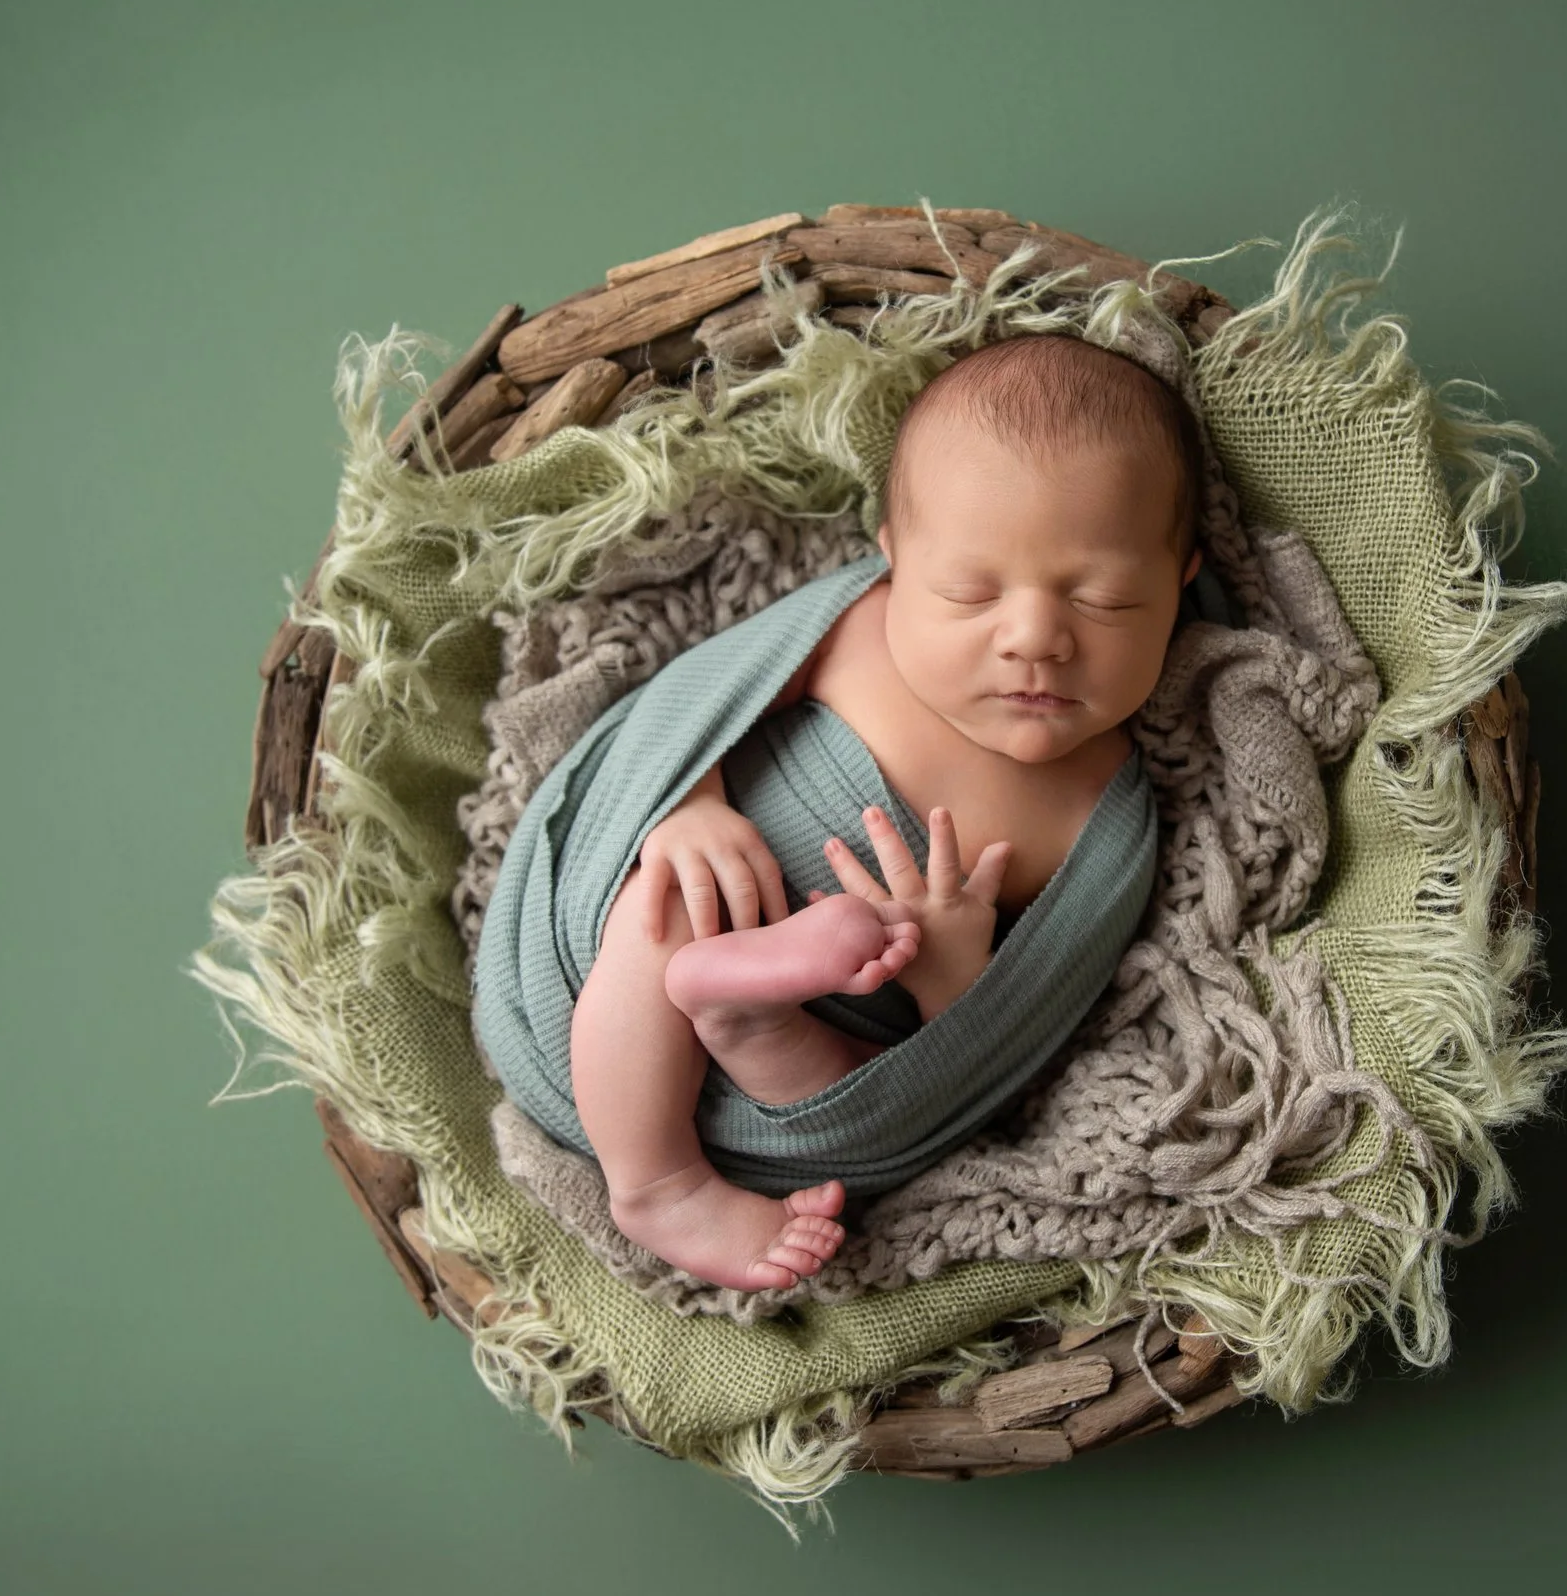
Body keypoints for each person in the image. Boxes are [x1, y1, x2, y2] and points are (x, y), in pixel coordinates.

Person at [490, 332, 1204, 1291]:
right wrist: (687, 802)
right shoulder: (855, 628)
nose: (1036, 638)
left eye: (1106, 600)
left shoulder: (1107, 822)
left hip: (806, 1073)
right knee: (658, 906)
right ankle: (656, 1180)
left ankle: (747, 1012)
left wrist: (955, 977)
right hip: (613, 990)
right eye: (968, 591)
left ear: (1180, 582)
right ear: (895, 561)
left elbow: (1014, 1047)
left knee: (850, 1090)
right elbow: (689, 703)